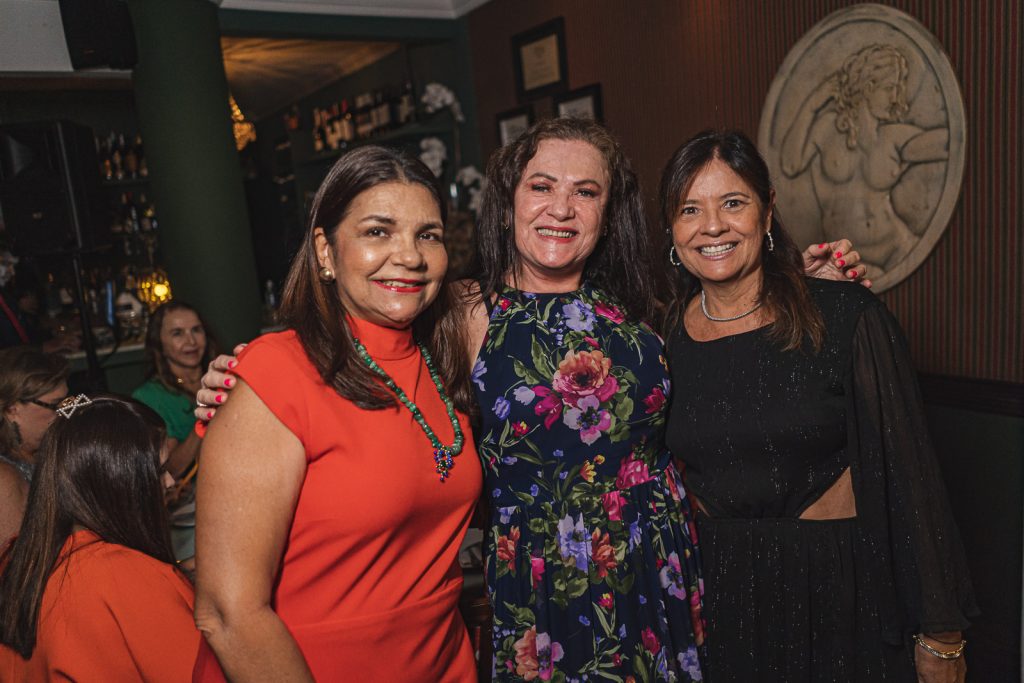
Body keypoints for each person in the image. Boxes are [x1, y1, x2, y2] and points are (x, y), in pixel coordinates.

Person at [198, 118, 868, 682]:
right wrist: (235, 382)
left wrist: (806, 286)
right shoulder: (461, 312)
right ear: (509, 199)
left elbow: (733, 338)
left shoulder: (646, 311)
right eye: (541, 186)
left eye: (586, 191)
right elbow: (354, 337)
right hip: (545, 591)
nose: (562, 207)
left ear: (609, 213)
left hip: (661, 573)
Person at [661, 130, 976, 682]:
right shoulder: (664, 337)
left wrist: (941, 634)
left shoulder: (844, 314)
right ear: (671, 227)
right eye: (691, 208)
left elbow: (913, 479)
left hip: (836, 589)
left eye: (733, 202)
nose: (712, 226)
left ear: (767, 211)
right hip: (718, 599)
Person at [191, 145, 482, 681]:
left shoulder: (446, 355)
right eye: (378, 232)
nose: (410, 256)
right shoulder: (277, 374)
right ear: (325, 250)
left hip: (442, 663)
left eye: (428, 234)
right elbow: (228, 614)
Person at [0, 395, 198, 681]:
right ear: (118, 482)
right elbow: (198, 672)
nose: (169, 483)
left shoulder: (21, 558)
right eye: (158, 470)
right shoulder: (130, 577)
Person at [780, 44, 950, 275]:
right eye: (890, 88)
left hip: (896, 249)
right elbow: (790, 165)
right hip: (841, 258)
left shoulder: (894, 136)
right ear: (867, 88)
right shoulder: (827, 128)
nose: (895, 97)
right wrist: (812, 104)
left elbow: (947, 143)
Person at [133, 300, 218, 567]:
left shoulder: (221, 375)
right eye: (177, 333)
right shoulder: (150, 397)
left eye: (196, 330)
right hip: (187, 515)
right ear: (159, 342)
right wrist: (202, 421)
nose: (190, 341)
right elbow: (172, 469)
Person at [0, 347, 68, 544]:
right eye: (56, 405)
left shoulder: (47, 451)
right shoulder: (5, 479)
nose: (66, 412)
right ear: (12, 409)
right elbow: (13, 566)